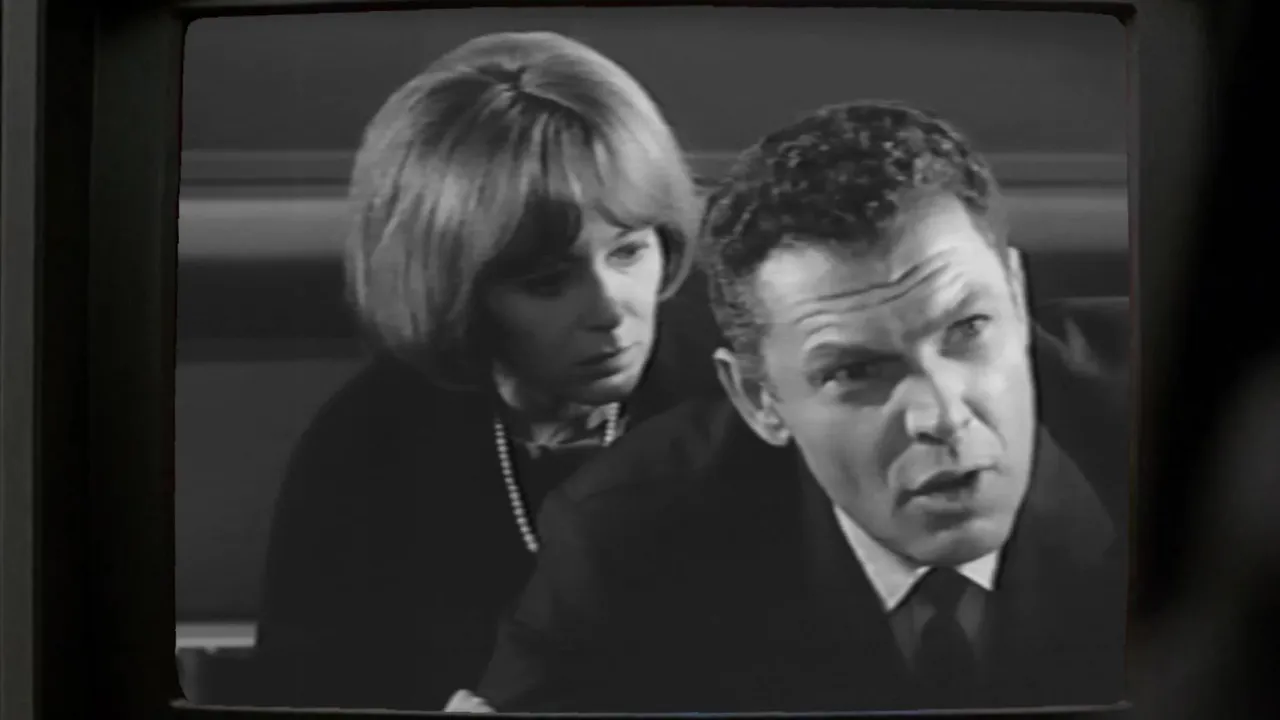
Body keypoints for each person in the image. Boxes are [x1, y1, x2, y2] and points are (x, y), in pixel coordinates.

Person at [475, 100, 1130, 713]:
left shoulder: (1168, 428)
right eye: (855, 371)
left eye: (968, 329)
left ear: (1014, 292)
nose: (942, 415)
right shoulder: (628, 536)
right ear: (760, 400)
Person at [251, 31, 720, 711]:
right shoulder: (367, 447)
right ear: (460, 290)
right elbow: (300, 692)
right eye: (548, 282)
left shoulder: (741, 401)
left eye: (627, 253)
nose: (610, 312)